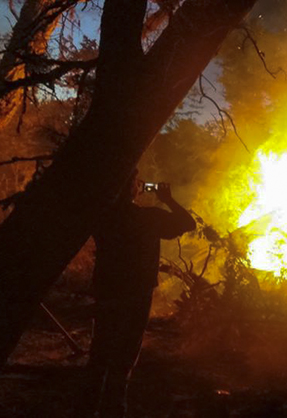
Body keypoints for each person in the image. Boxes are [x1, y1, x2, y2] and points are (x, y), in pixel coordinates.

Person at [84, 171, 196, 418]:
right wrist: (167, 199)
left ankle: (88, 408)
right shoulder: (148, 218)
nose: (140, 184)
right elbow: (188, 224)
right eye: (136, 181)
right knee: (124, 355)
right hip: (137, 294)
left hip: (108, 291)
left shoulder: (102, 216)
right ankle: (114, 410)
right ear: (132, 189)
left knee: (100, 350)